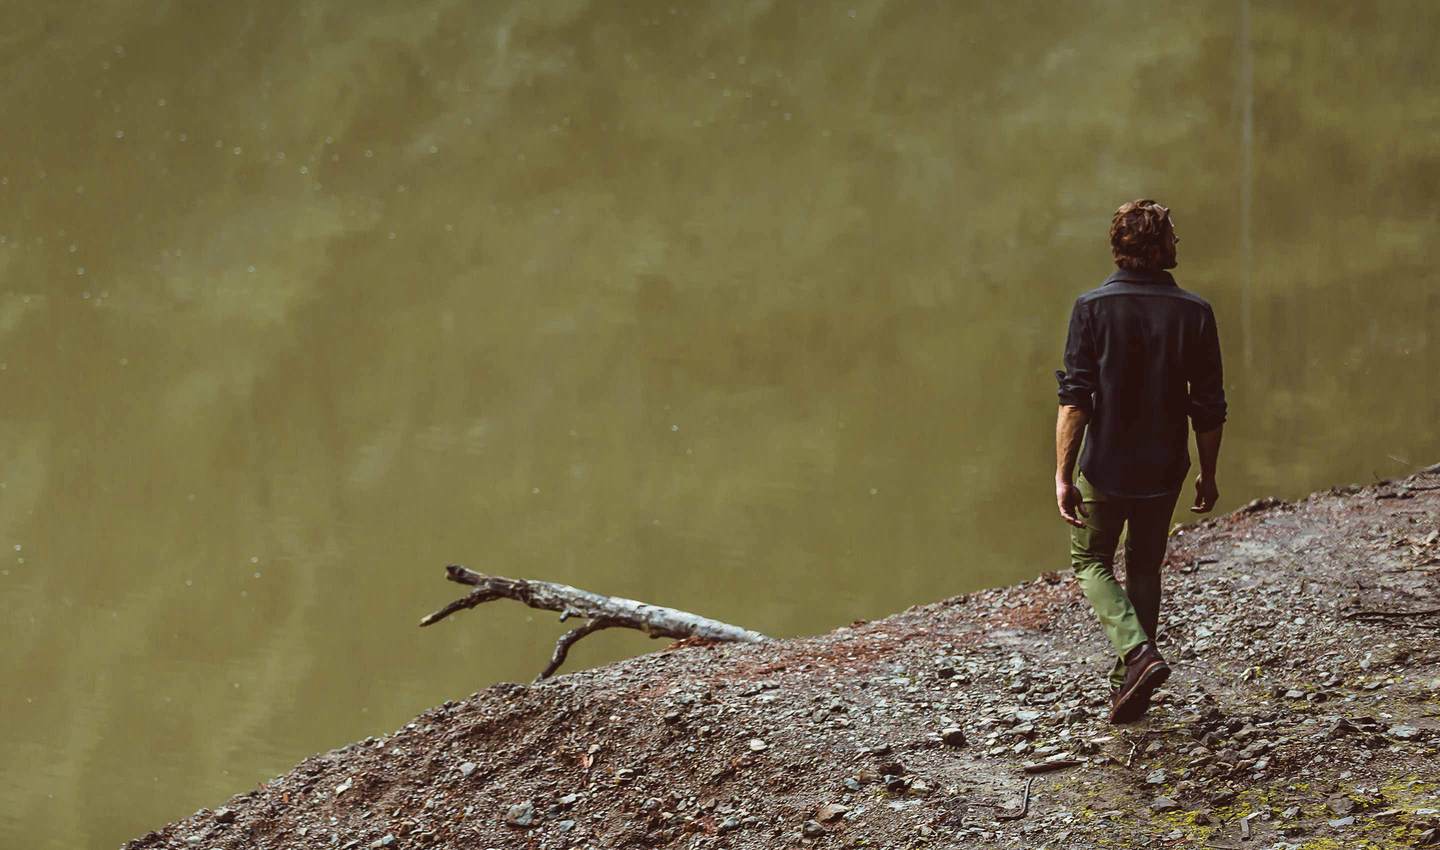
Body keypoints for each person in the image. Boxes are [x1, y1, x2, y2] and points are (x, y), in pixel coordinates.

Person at [1053, 199, 1227, 724]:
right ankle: (1128, 685)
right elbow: (1209, 405)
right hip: (1164, 466)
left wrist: (1063, 474)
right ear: (1155, 246)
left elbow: (1075, 401)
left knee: (1090, 562)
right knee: (1145, 566)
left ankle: (1136, 655)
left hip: (1106, 465)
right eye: (1172, 234)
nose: (1178, 242)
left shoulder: (1091, 308)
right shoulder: (1194, 313)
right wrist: (1208, 471)